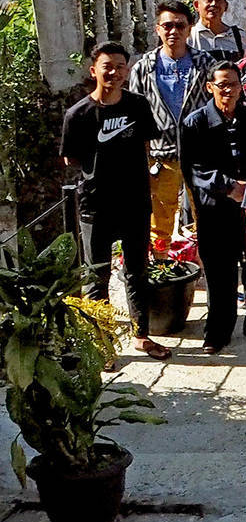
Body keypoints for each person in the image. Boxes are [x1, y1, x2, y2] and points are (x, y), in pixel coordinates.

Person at [61, 43, 166, 359]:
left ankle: (141, 335)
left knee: (137, 272)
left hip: (135, 204)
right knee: (97, 276)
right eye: (107, 66)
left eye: (120, 66)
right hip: (96, 207)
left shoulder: (138, 105)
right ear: (93, 70)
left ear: (127, 71)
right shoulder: (77, 114)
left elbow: (146, 144)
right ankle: (101, 345)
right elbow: (70, 158)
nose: (114, 72)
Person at [180, 61, 246, 352]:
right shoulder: (195, 122)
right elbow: (193, 169)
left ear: (242, 87)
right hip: (214, 208)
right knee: (219, 270)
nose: (228, 90)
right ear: (210, 87)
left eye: (233, 84)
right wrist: (229, 187)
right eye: (222, 85)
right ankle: (218, 330)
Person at [129, 0, 216, 251]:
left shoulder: (205, 63)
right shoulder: (144, 68)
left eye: (180, 25)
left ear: (189, 29)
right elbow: (135, 117)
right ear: (158, 29)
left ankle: (208, 264)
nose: (173, 31)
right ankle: (161, 265)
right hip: (161, 156)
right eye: (167, 26)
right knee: (159, 219)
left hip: (201, 154)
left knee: (207, 215)